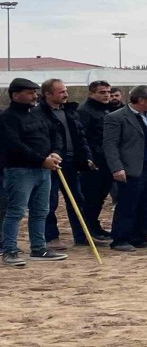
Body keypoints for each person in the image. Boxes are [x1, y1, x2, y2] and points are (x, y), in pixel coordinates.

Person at [1, 78, 66, 266]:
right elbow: (14, 145)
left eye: (35, 92)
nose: (34, 96)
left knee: (41, 211)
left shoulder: (38, 114)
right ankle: (10, 250)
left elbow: (55, 134)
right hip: (20, 170)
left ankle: (38, 248)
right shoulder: (7, 117)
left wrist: (55, 152)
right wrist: (41, 160)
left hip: (44, 170)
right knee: (16, 211)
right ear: (15, 95)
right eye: (29, 93)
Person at [103, 85, 147, 252]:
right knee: (128, 205)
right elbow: (110, 145)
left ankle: (139, 237)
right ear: (141, 100)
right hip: (132, 169)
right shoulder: (116, 117)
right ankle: (120, 239)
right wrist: (117, 167)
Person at [37, 79, 95, 250]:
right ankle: (51, 237)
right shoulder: (38, 113)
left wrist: (86, 156)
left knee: (77, 199)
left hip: (72, 162)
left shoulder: (70, 111)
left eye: (65, 91)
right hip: (51, 162)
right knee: (50, 201)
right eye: (61, 91)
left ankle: (82, 235)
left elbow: (80, 136)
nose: (66, 94)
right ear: (48, 94)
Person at [78, 80, 114, 241]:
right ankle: (86, 229)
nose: (107, 95)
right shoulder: (85, 111)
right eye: (102, 92)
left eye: (108, 92)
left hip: (106, 160)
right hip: (93, 161)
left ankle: (94, 225)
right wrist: (88, 157)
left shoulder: (106, 110)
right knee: (90, 197)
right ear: (91, 93)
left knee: (100, 197)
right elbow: (81, 136)